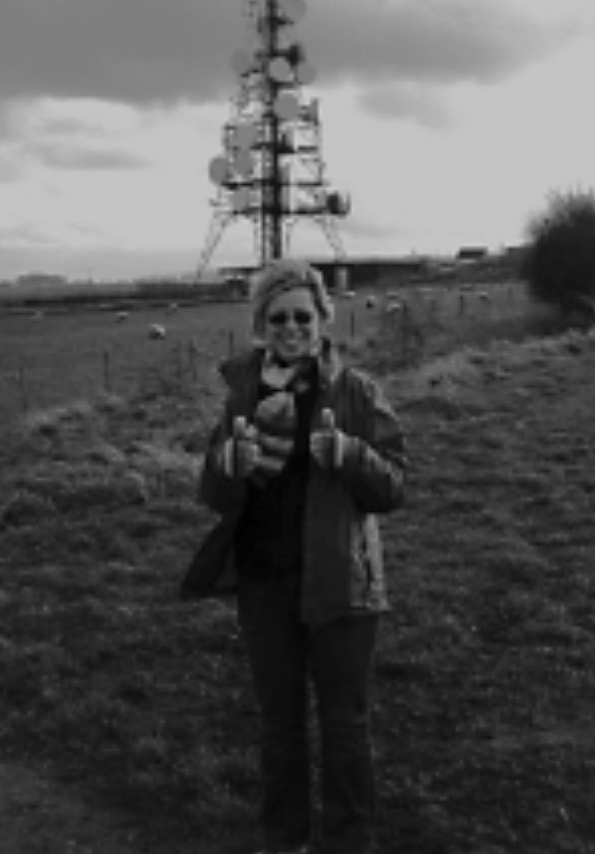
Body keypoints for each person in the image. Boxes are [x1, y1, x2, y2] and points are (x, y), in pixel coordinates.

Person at [181, 258, 406, 854]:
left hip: (340, 586)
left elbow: (394, 488)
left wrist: (351, 454)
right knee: (280, 728)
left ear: (322, 320)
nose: (291, 328)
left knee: (345, 728)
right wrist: (229, 466)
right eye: (277, 317)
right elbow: (213, 490)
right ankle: (284, 840)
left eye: (303, 316)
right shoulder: (242, 395)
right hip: (263, 585)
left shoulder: (356, 392)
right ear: (260, 323)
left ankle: (350, 842)